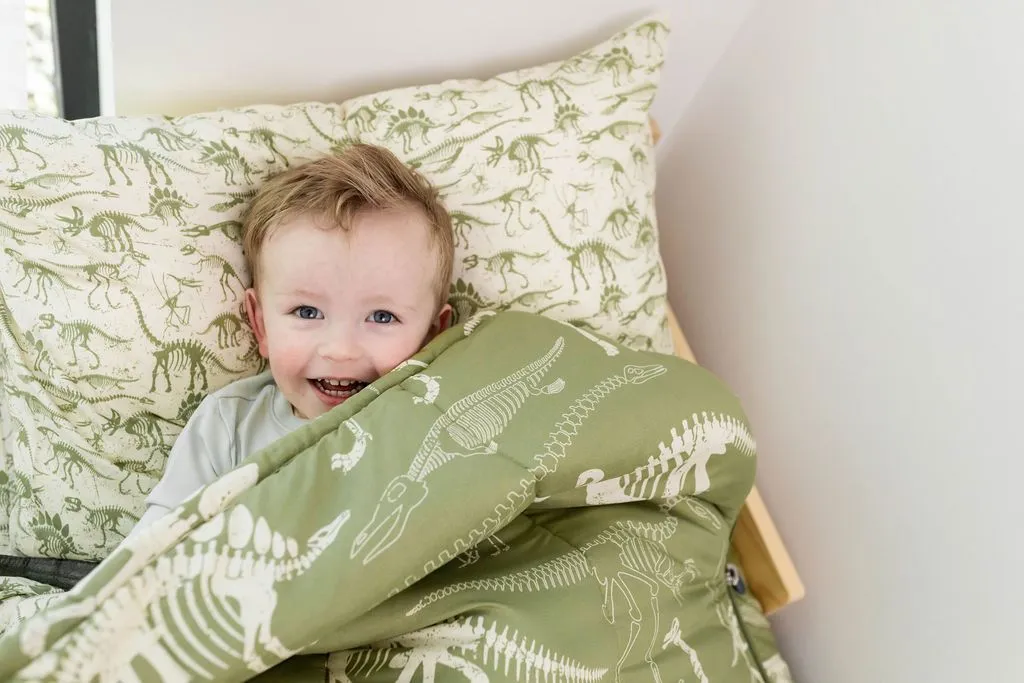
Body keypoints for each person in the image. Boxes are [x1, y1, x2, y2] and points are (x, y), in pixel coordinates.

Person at [128, 144, 454, 536]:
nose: (340, 350)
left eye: (382, 316)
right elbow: (151, 549)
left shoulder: (440, 428)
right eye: (307, 312)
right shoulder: (229, 426)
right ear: (261, 325)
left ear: (434, 336)